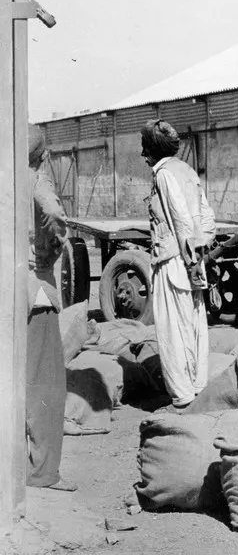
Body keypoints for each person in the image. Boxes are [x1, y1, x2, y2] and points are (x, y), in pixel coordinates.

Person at [141, 119, 216, 409]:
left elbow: (180, 218)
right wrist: (199, 252)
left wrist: (188, 259)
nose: (143, 154)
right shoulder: (186, 171)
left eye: (145, 148)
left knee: (172, 327)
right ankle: (198, 385)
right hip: (192, 258)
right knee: (193, 323)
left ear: (156, 150)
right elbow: (205, 216)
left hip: (173, 261)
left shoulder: (163, 175)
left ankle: (182, 394)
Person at [26, 127, 76, 491]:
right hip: (36, 291)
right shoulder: (37, 181)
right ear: (43, 155)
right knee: (46, 386)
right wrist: (52, 247)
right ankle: (43, 472)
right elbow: (54, 214)